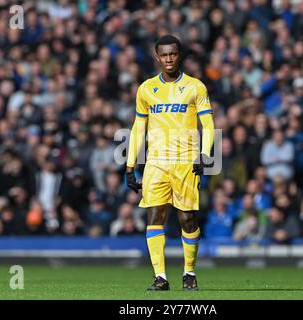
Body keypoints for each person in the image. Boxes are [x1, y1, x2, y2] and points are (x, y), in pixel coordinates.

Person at [125, 35, 215, 291]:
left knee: (187, 218)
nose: (168, 59)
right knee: (155, 214)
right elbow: (138, 127)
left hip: (186, 161)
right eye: (164, 55)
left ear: (180, 55)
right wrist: (130, 165)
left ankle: (189, 272)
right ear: (157, 57)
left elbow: (207, 124)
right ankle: (161, 277)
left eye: (173, 54)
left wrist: (206, 154)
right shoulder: (146, 89)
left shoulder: (195, 87)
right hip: (156, 162)